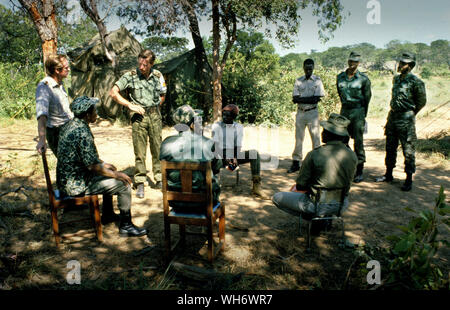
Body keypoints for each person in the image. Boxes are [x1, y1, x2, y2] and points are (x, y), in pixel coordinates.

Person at [56, 96, 147, 237]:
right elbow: (93, 167)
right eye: (94, 111)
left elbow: (86, 157)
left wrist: (104, 164)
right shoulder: (82, 132)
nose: (96, 113)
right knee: (124, 184)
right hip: (76, 184)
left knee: (108, 171)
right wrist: (117, 175)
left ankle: (109, 214)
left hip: (67, 180)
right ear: (87, 115)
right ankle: (126, 226)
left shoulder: (70, 125)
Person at [272, 113, 357, 229]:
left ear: (329, 134)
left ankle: (316, 219)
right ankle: (325, 218)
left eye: (325, 130)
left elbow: (301, 185)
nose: (322, 133)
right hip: (341, 204)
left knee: (277, 197)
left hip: (317, 204)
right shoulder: (352, 156)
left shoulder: (314, 154)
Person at [109, 49, 167, 198]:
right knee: (139, 152)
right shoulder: (130, 76)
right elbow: (113, 92)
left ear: (152, 64)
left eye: (145, 65)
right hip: (138, 119)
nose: (141, 67)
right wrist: (130, 105)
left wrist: (154, 108)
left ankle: (159, 178)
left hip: (155, 117)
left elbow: (163, 95)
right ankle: (140, 181)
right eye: (140, 64)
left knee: (157, 148)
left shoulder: (158, 76)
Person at [375, 52, 426, 192]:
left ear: (410, 66)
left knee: (408, 149)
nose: (401, 65)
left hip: (406, 119)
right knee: (390, 147)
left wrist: (411, 113)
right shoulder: (396, 79)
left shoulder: (416, 82)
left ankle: (408, 179)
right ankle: (388, 174)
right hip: (393, 117)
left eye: (404, 63)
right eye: (401, 62)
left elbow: (421, 101)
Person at [160, 105, 222, 213]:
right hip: (204, 203)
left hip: (175, 202)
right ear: (193, 125)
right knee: (214, 174)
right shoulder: (209, 143)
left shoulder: (166, 143)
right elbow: (217, 167)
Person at [211, 104, 268, 199]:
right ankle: (212, 187)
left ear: (234, 116)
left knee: (254, 154)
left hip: (233, 154)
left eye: (228, 115)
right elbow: (215, 146)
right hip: (220, 155)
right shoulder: (216, 126)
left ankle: (256, 187)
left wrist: (235, 157)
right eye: (223, 114)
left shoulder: (238, 127)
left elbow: (238, 145)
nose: (224, 117)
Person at [336, 51, 372, 183]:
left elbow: (367, 98)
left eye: (355, 62)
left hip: (358, 111)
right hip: (344, 111)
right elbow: (340, 94)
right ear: (348, 61)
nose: (352, 64)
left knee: (358, 142)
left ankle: (359, 170)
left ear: (359, 63)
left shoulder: (363, 79)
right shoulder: (340, 77)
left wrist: (362, 115)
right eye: (351, 61)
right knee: (342, 140)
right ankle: (345, 166)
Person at [287, 58, 325, 173]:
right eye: (306, 68)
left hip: (312, 113)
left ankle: (317, 163)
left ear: (313, 68)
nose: (308, 70)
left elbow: (316, 99)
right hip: (300, 112)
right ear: (303, 68)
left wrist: (301, 99)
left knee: (315, 138)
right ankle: (296, 162)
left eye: (310, 68)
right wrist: (307, 99)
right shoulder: (298, 81)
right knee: (298, 138)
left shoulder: (317, 81)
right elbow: (294, 99)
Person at [35, 54, 73, 155]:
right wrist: (42, 139)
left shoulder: (60, 84)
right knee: (69, 165)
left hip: (68, 129)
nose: (69, 69)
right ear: (57, 70)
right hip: (57, 133)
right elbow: (42, 115)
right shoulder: (45, 87)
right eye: (66, 68)